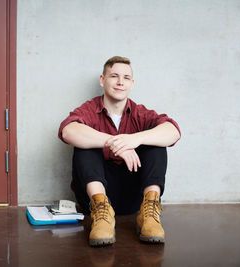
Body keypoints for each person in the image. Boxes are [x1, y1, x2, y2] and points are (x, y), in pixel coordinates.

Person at [58, 56, 181, 246]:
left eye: (125, 77)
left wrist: (134, 139)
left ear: (132, 84)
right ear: (102, 80)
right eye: (114, 76)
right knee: (85, 145)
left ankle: (149, 215)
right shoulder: (89, 109)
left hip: (133, 197)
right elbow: (68, 131)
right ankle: (102, 214)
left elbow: (173, 131)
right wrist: (111, 142)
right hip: (95, 197)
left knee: (155, 142)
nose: (120, 82)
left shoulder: (140, 113)